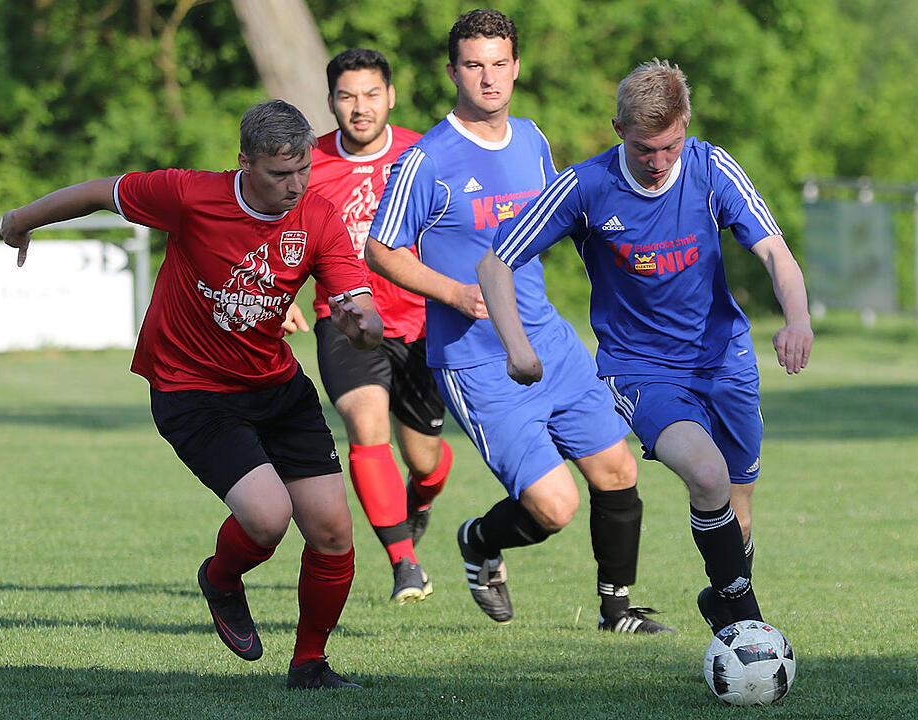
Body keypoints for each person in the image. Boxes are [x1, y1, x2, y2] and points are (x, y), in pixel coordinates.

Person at [0, 99, 382, 688]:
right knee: (268, 517)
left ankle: (309, 664)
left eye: (302, 168)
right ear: (244, 163)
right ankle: (222, 579)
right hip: (193, 389)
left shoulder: (318, 214)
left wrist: (362, 323)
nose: (295, 183)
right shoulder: (190, 195)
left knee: (333, 533)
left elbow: (354, 297)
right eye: (280, 173)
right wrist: (21, 219)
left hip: (277, 387)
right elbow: (103, 190)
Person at [477, 58, 814, 634]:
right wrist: (516, 345)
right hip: (641, 370)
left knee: (738, 507)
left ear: (686, 125)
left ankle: (724, 603)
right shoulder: (586, 186)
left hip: (724, 359)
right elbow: (494, 263)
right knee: (706, 476)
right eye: (643, 149)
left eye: (670, 147)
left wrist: (797, 318)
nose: (658, 163)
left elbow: (775, 252)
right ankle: (748, 631)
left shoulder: (711, 167)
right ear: (618, 132)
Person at [365, 9, 671, 634]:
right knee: (554, 507)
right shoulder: (426, 160)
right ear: (453, 71)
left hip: (549, 341)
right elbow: (381, 247)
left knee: (618, 470)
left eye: (499, 63)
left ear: (516, 67)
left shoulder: (533, 140)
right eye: (474, 65)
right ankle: (479, 541)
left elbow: (559, 222)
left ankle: (616, 614)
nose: (488, 78)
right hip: (477, 363)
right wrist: (451, 291)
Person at [281, 49, 453, 605]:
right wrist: (276, 294)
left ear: (391, 97)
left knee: (425, 458)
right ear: (330, 102)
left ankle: (420, 500)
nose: (360, 108)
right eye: (347, 96)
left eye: (371, 94)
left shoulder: (424, 154)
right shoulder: (305, 163)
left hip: (424, 321)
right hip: (346, 316)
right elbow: (269, 230)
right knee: (364, 423)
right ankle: (405, 563)